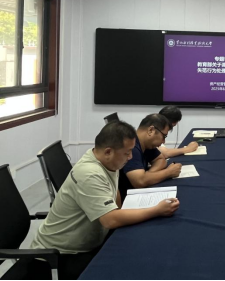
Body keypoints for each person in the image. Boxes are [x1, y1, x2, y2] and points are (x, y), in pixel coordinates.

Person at [31, 121, 180, 280]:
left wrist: (122, 212)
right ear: (108, 151)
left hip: (89, 241)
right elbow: (110, 220)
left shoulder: (106, 160)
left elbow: (114, 194)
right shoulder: (90, 173)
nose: (130, 157)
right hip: (61, 255)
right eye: (127, 152)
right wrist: (156, 210)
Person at [119, 114, 182, 200]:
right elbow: (139, 182)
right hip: (127, 200)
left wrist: (148, 175)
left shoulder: (146, 144)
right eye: (164, 136)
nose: (164, 141)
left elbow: (161, 160)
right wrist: (168, 172)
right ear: (151, 130)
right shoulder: (131, 146)